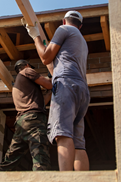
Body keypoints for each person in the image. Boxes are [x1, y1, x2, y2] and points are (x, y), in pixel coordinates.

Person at [24, 10, 90, 171]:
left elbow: (45, 57)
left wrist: (35, 37)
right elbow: (55, 66)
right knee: (79, 142)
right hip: (82, 90)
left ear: (63, 21)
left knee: (63, 134)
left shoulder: (64, 30)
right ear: (80, 26)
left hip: (66, 85)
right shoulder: (82, 41)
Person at [0, 59, 52, 171]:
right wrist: (53, 77)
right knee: (40, 155)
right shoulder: (26, 71)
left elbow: (42, 103)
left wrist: (50, 91)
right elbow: (49, 85)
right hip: (34, 120)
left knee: (11, 158)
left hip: (22, 123)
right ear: (27, 65)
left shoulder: (19, 86)